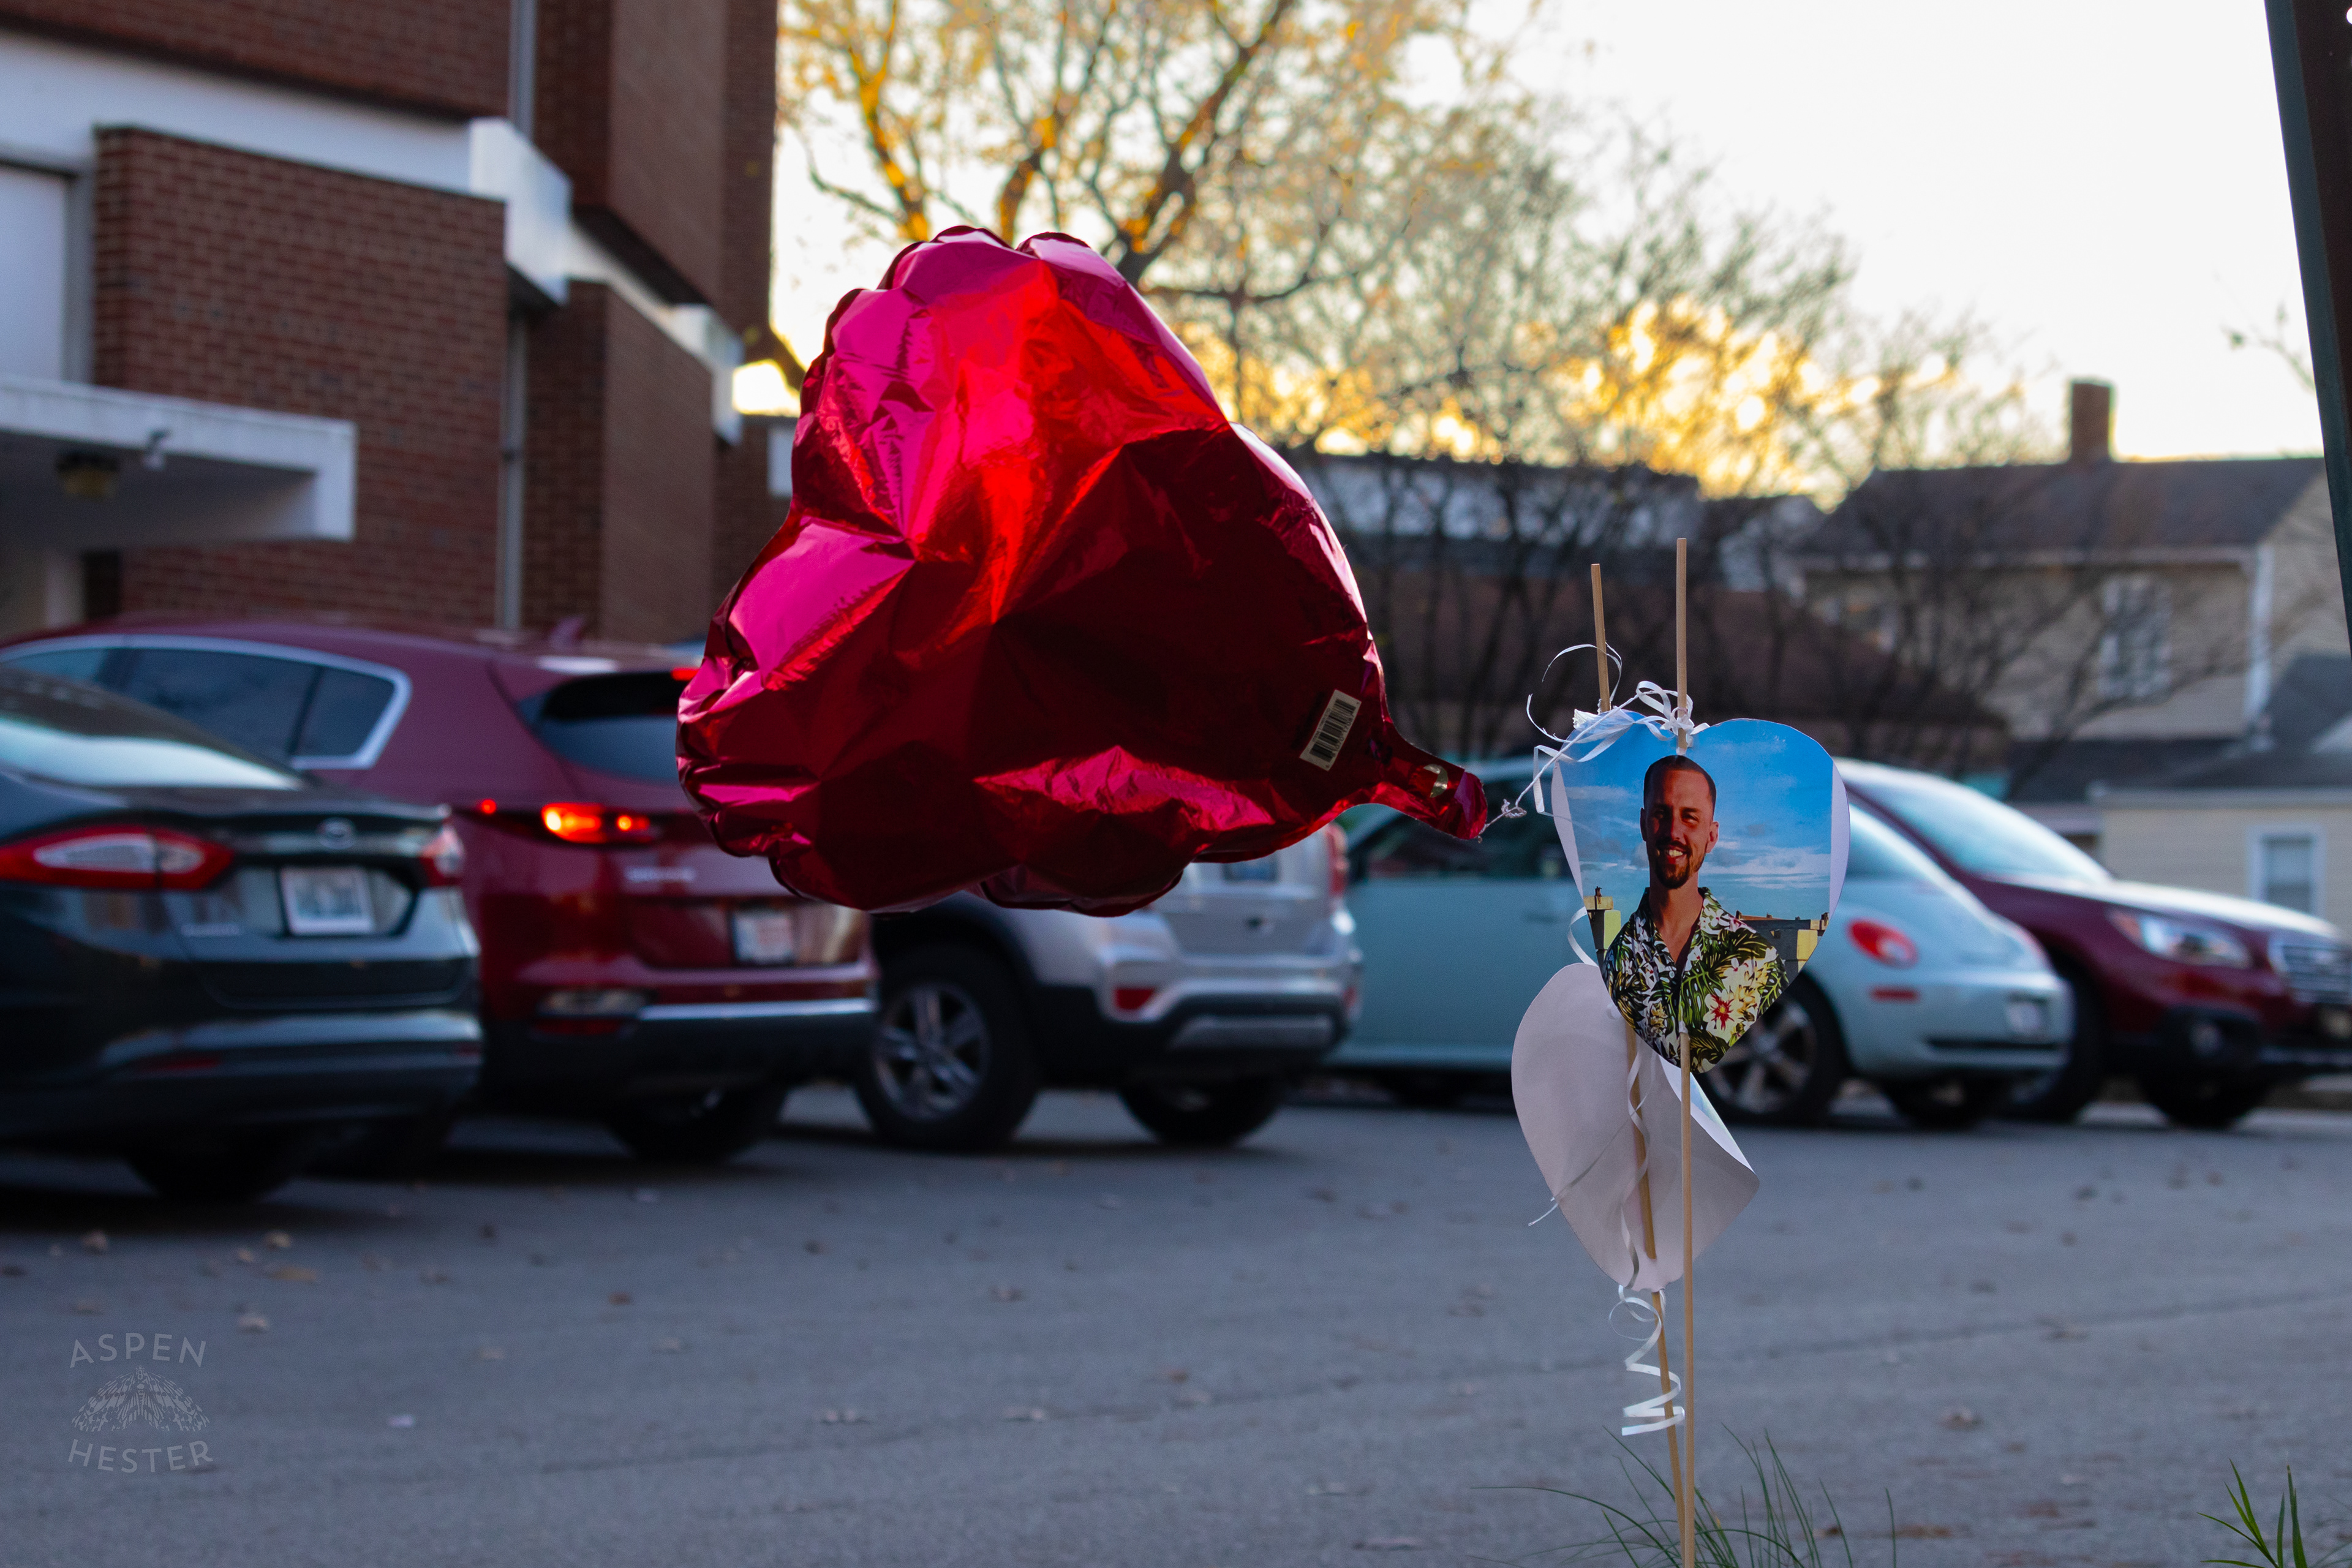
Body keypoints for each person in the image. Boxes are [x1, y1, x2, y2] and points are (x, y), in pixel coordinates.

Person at [1599, 753, 1784, 1071]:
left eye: (1690, 818)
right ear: (1643, 824)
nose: (1674, 831)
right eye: (1661, 814)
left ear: (1711, 836)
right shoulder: (1616, 960)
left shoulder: (1755, 957)